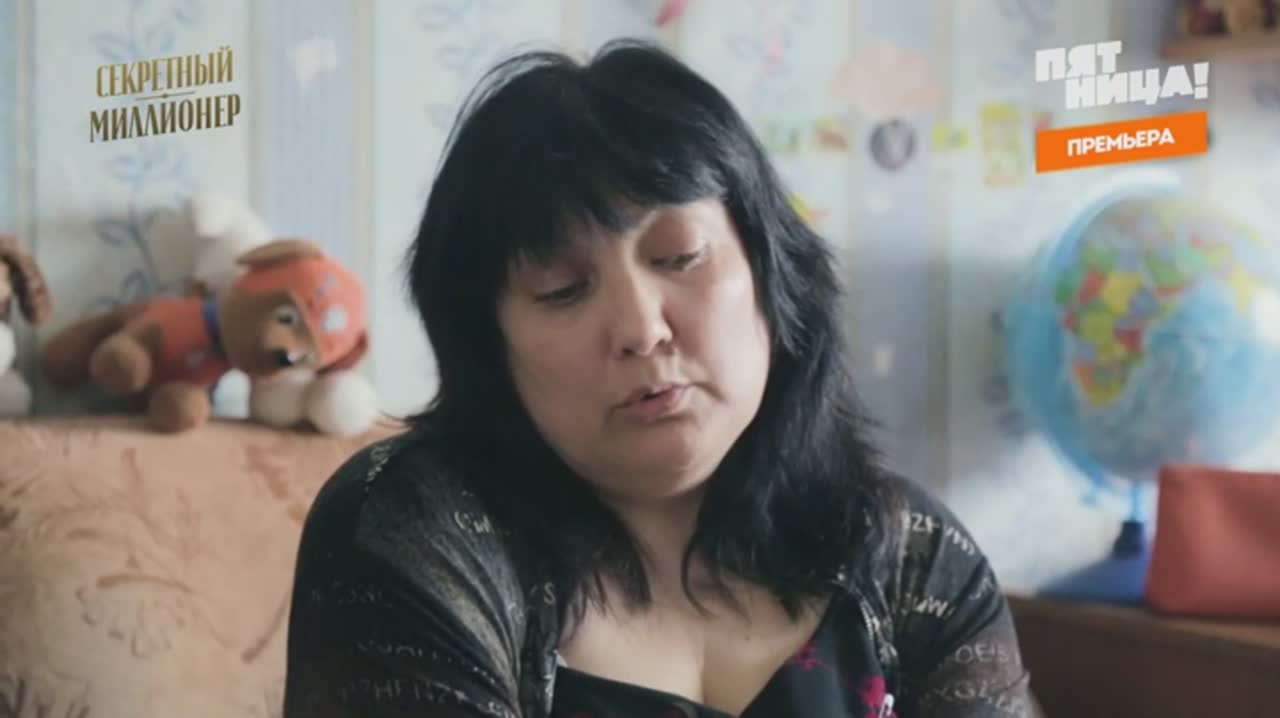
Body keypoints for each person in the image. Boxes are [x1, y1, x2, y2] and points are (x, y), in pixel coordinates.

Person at [282, 39, 1034, 718]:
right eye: (562, 290)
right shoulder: (410, 529)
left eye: (679, 257)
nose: (642, 329)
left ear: (771, 273)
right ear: (490, 345)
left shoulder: (912, 558)